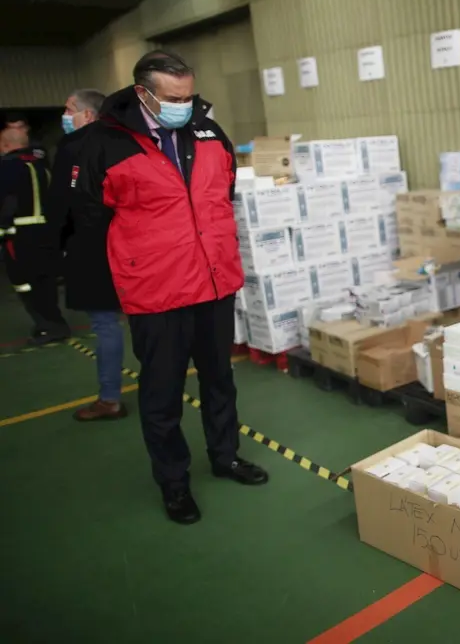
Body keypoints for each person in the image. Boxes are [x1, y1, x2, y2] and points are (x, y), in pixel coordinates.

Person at [74, 50, 268, 525]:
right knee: (161, 396)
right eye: (174, 98)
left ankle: (225, 457)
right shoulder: (104, 142)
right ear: (143, 93)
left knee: (220, 379)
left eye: (189, 95)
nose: (186, 104)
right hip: (157, 292)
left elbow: (223, 192)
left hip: (214, 282)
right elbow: (90, 216)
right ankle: (174, 483)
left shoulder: (207, 131)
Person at [47, 88, 127, 421]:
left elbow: (62, 205)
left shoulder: (74, 148)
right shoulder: (125, 141)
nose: (64, 117)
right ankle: (158, 389)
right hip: (131, 245)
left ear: (88, 115)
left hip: (92, 247)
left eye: (69, 110)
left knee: (106, 324)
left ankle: (110, 399)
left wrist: (58, 244)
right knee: (149, 323)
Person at [0, 127, 71, 344]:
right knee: (45, 280)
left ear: (5, 145)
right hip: (47, 233)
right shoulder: (42, 167)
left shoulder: (7, 167)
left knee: (25, 282)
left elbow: (7, 203)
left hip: (20, 235)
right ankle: (51, 322)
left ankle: (48, 325)